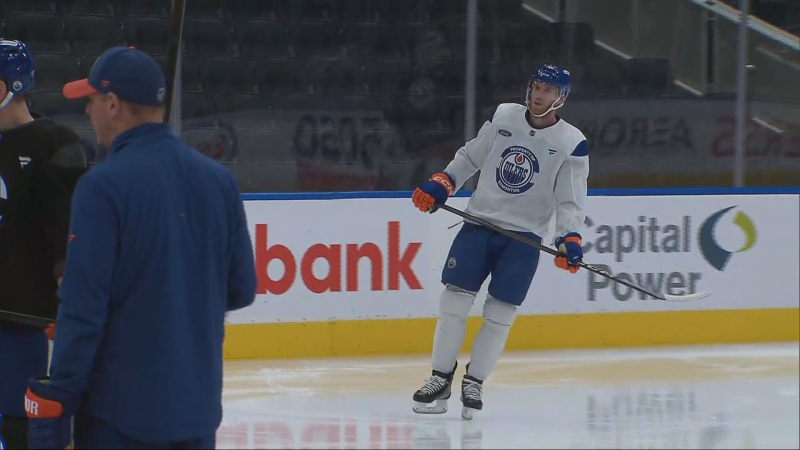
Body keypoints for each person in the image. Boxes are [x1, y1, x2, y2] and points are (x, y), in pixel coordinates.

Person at [21, 46, 258, 449]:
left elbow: (83, 309)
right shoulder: (220, 182)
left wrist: (58, 393)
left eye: (91, 100)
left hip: (119, 419)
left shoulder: (102, 188)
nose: (86, 112)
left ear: (112, 104)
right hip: (196, 414)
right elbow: (241, 288)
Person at [410, 64, 589, 420]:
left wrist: (568, 238)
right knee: (452, 303)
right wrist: (443, 183)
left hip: (522, 240)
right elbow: (471, 156)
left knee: (500, 315)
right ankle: (440, 378)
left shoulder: (572, 143)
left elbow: (569, 201)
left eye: (548, 91)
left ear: (561, 98)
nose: (539, 95)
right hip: (479, 225)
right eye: (537, 87)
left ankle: (474, 381)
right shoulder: (504, 116)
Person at [0, 39, 88, 450]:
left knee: (19, 427)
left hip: (22, 320)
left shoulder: (55, 144)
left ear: (11, 86)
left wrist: (67, 302)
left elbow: (66, 238)